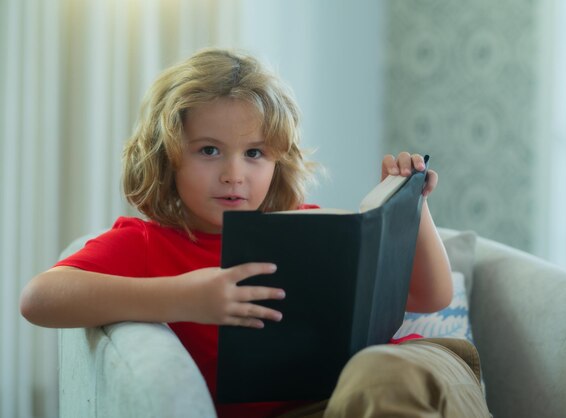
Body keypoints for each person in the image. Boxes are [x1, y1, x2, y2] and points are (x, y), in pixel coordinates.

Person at [20, 48, 490, 418]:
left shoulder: (308, 224)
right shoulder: (149, 244)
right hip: (330, 409)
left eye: (254, 154)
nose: (233, 174)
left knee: (380, 372)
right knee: (374, 381)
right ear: (167, 156)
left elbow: (431, 295)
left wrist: (414, 204)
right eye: (209, 150)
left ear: (277, 161)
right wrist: (182, 298)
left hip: (422, 371)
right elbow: (40, 298)